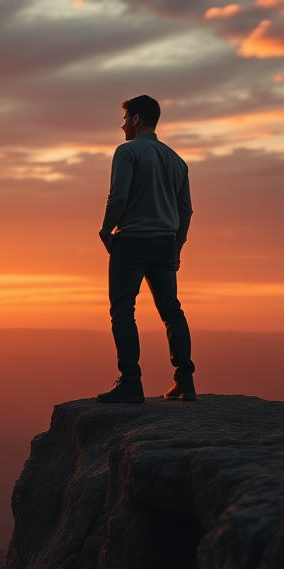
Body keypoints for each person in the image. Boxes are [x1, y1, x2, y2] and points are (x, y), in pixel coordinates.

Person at [95, 94, 195, 404]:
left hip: (132, 242)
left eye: (125, 118)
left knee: (123, 309)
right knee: (172, 311)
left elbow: (118, 197)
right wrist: (177, 245)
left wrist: (106, 230)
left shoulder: (127, 152)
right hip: (165, 242)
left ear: (136, 119)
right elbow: (186, 210)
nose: (122, 125)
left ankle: (130, 382)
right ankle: (184, 380)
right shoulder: (177, 161)